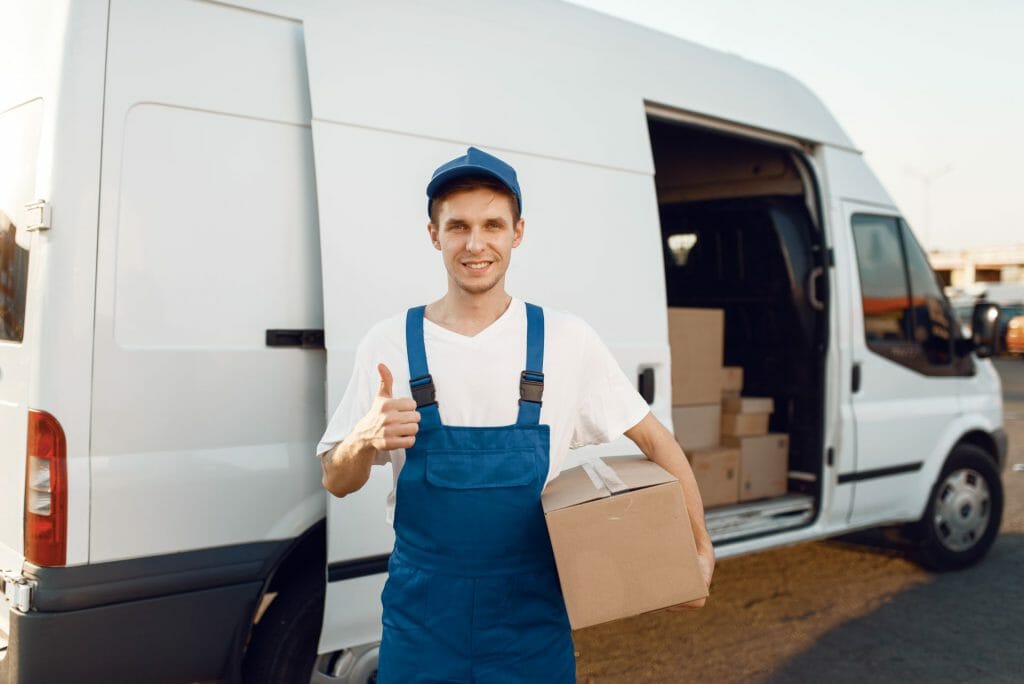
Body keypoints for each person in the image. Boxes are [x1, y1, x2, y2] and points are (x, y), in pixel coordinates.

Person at [317, 146, 714, 683]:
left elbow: (657, 441)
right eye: (457, 226)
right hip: (422, 622)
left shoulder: (565, 340)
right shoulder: (387, 343)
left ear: (517, 232)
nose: (475, 243)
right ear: (434, 234)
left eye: (492, 225)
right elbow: (336, 480)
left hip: (531, 621)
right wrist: (362, 440)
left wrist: (699, 546)